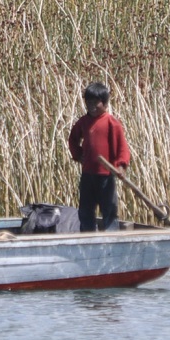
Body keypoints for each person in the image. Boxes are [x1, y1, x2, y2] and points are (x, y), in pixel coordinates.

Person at [67, 81, 131, 232]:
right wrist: (78, 155)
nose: (92, 107)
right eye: (89, 103)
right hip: (88, 174)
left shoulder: (111, 123)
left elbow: (122, 147)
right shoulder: (84, 122)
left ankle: (111, 238)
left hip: (106, 176)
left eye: (96, 103)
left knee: (109, 209)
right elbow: (73, 139)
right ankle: (87, 236)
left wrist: (121, 165)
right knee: (85, 209)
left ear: (105, 103)